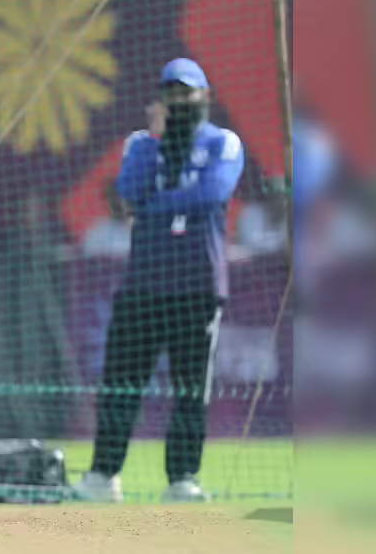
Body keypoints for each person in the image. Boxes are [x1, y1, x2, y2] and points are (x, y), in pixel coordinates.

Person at [72, 58, 245, 503]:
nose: (179, 100)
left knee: (190, 389)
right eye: (172, 93)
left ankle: (182, 478)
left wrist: (156, 204)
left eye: (187, 92)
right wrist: (158, 148)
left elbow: (212, 194)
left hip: (198, 285)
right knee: (121, 384)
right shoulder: (142, 145)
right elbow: (129, 193)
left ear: (205, 96)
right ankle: (103, 476)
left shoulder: (224, 142)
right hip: (143, 285)